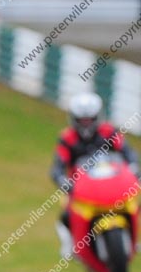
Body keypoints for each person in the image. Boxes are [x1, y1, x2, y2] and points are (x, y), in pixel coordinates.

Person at [50, 93, 140, 255]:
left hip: (113, 184)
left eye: (90, 119)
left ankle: (135, 239)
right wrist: (65, 182)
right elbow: (57, 169)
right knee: (66, 215)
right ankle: (70, 245)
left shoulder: (109, 132)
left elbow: (128, 153)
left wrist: (134, 168)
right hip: (80, 189)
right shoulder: (67, 138)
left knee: (134, 204)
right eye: (82, 120)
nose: (86, 124)